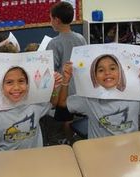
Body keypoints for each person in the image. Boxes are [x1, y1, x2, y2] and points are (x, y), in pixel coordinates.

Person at [58, 55, 140, 139]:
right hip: (100, 150)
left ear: (121, 73)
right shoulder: (89, 98)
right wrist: (65, 81)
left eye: (112, 68)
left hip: (129, 148)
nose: (107, 72)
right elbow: (62, 103)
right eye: (101, 70)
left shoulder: (134, 96)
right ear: (94, 76)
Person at [46, 1, 87, 143]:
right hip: (81, 85)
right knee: (77, 111)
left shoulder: (54, 43)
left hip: (65, 87)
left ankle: (70, 141)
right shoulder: (81, 38)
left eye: (51, 18)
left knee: (67, 117)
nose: (50, 21)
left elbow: (50, 68)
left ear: (57, 20)